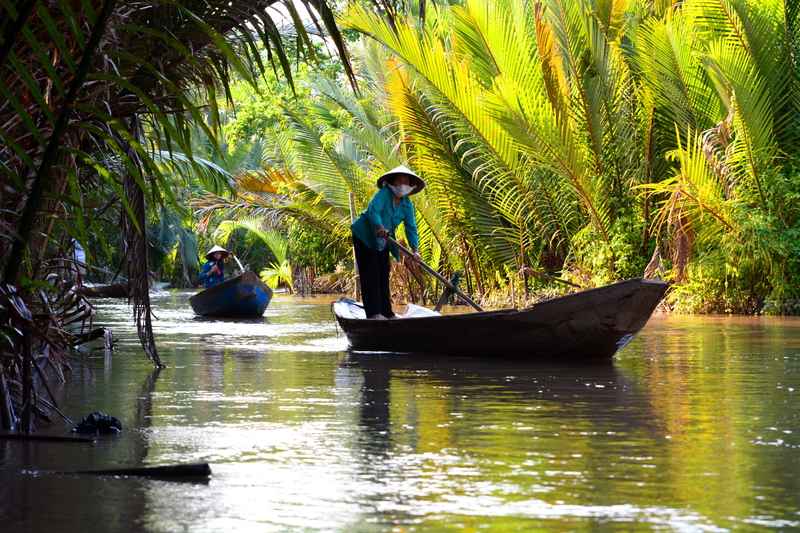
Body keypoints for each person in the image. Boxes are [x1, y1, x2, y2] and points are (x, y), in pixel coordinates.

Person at [351, 165, 424, 319]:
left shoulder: (406, 204)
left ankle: (386, 312)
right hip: (364, 235)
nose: (402, 185)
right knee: (370, 273)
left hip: (383, 240)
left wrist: (415, 250)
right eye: (400, 181)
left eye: (406, 181)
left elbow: (411, 227)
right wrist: (379, 226)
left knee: (384, 272)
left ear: (411, 186)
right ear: (392, 182)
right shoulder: (384, 194)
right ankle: (374, 314)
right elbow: (373, 211)